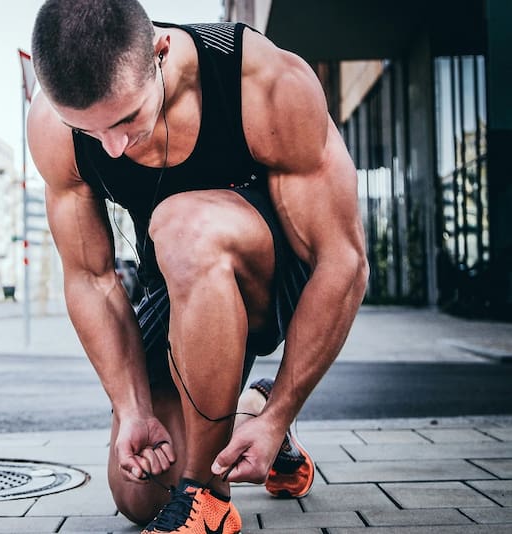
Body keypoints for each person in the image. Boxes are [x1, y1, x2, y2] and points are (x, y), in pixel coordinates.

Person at [27, 1, 368, 533]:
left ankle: (207, 500)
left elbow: (343, 261)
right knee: (139, 493)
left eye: (125, 120)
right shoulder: (52, 126)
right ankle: (246, 416)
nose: (112, 149)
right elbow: (91, 279)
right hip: (177, 284)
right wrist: (133, 409)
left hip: (273, 278)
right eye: (91, 132)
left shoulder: (262, 80)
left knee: (182, 224)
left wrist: (284, 410)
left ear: (160, 53)